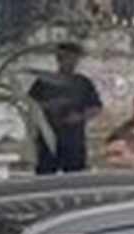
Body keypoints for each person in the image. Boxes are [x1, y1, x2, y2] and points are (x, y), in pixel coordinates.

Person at [29, 42, 103, 175]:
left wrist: (79, 117)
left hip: (73, 140)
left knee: (75, 179)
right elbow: (29, 105)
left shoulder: (83, 83)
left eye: (74, 58)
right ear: (58, 59)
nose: (70, 62)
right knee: (45, 179)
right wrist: (50, 106)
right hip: (48, 139)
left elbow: (96, 108)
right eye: (65, 58)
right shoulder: (44, 81)